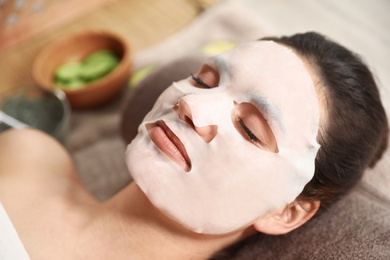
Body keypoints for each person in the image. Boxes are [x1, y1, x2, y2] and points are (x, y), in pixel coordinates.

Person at [0, 32, 388, 259]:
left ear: (287, 212)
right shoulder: (30, 154)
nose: (191, 104)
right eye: (204, 80)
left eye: (250, 130)